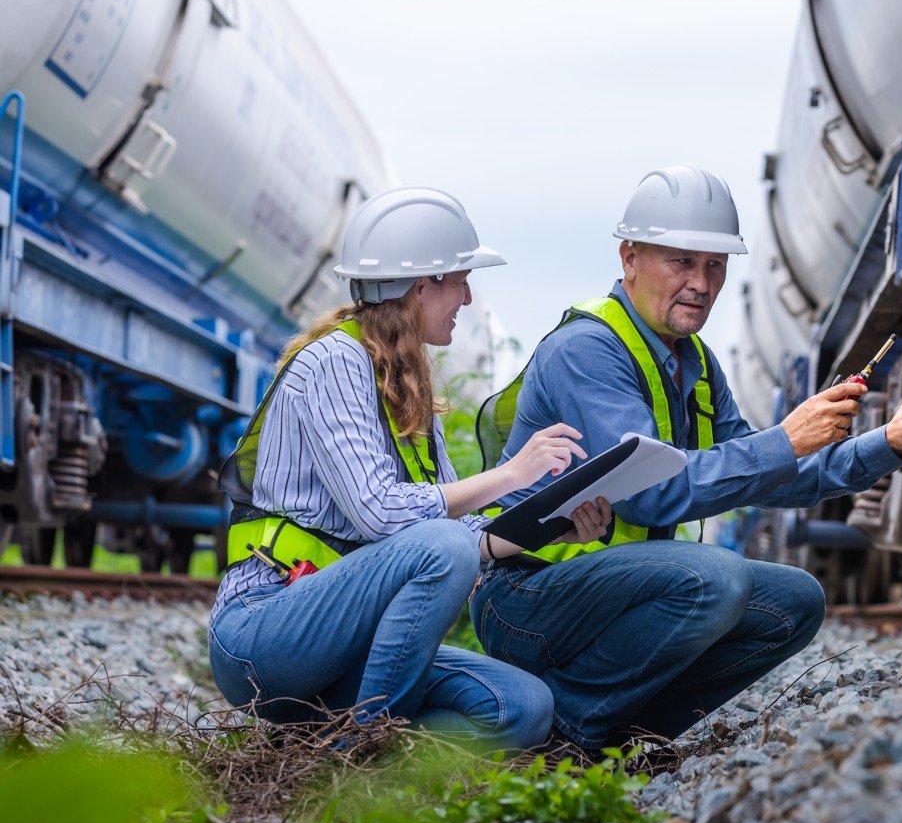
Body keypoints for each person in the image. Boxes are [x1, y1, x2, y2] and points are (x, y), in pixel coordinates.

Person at [471, 164, 902, 753]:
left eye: (715, 265)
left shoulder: (695, 363)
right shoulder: (587, 351)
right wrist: (785, 438)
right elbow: (655, 493)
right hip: (529, 598)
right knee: (717, 579)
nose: (701, 283)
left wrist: (886, 443)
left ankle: (624, 739)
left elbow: (767, 476)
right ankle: (563, 736)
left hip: (614, 592)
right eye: (681, 261)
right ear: (629, 258)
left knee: (795, 602)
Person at [208, 186, 613, 750]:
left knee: (525, 708)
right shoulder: (333, 361)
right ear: (422, 286)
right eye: (461, 280)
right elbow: (380, 515)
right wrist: (512, 475)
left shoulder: (406, 381)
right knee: (442, 546)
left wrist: (554, 525)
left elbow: (462, 535)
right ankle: (364, 755)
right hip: (265, 632)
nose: (468, 298)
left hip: (355, 645)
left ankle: (330, 739)